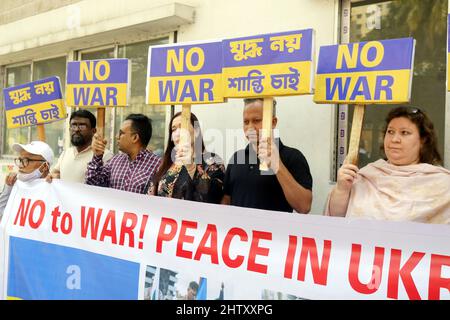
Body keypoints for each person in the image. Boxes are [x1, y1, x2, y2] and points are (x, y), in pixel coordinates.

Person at [326, 106, 450, 224]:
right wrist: (342, 189)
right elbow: (337, 220)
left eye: (405, 133)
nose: (395, 139)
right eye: (390, 132)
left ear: (423, 140)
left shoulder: (442, 184)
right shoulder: (367, 175)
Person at [221, 98, 313, 213]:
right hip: (239, 231)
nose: (250, 128)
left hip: (274, 230)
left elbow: (304, 207)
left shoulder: (292, 157)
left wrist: (277, 166)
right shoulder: (237, 158)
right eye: (246, 122)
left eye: (256, 120)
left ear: (273, 122)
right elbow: (226, 199)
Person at [149, 112, 225, 203]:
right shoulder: (167, 163)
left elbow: (212, 197)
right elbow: (150, 195)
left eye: (182, 127)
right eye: (173, 129)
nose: (177, 133)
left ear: (196, 131)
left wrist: (191, 167)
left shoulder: (212, 161)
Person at [85, 114, 161, 194]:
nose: (116, 136)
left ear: (135, 137)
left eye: (121, 133)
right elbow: (92, 184)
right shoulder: (115, 161)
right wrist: (97, 156)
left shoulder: (157, 165)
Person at [48, 109, 113, 183]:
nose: (76, 130)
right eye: (73, 125)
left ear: (93, 131)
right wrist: (53, 176)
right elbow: (56, 173)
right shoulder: (66, 153)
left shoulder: (105, 156)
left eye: (82, 126)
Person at [0, 141, 54, 219]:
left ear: (44, 166)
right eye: (20, 160)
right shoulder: (16, 186)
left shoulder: (53, 193)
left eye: (26, 160)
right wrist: (8, 188)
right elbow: (2, 215)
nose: (20, 165)